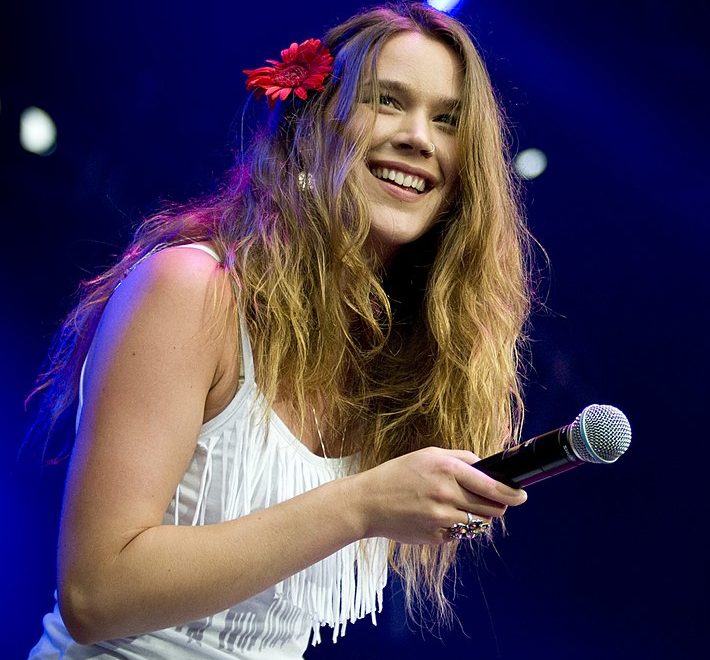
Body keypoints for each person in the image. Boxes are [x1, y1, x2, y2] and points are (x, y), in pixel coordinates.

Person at [27, 2, 532, 658]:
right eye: (386, 101)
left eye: (447, 119)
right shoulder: (194, 290)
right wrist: (362, 505)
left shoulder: (399, 357)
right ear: (313, 124)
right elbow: (95, 595)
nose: (419, 137)